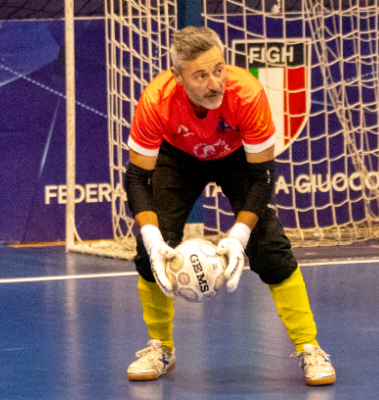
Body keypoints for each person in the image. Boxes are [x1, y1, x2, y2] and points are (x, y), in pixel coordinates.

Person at [124, 26, 336, 386]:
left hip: (238, 158)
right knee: (150, 253)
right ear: (178, 76)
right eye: (201, 75)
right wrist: (152, 238)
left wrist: (239, 236)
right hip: (178, 157)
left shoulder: (247, 94)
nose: (215, 84)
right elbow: (136, 179)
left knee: (268, 247)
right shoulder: (156, 100)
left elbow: (262, 177)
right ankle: (161, 348)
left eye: (219, 69)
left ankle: (309, 347)